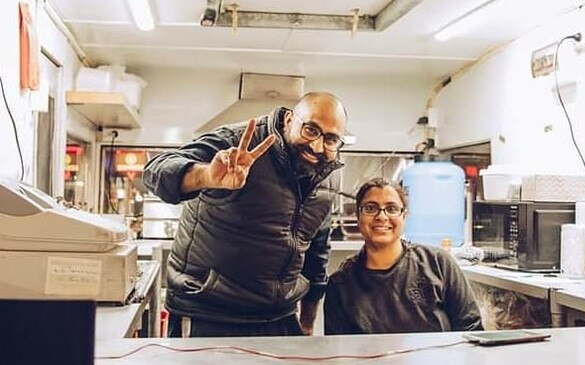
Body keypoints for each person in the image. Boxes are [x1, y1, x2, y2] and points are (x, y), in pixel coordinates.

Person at [143, 92, 347, 337]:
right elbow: (155, 171)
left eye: (331, 139)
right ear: (290, 119)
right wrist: (206, 176)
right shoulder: (236, 142)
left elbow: (317, 248)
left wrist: (307, 321)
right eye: (311, 130)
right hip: (209, 311)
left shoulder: (328, 172)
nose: (317, 146)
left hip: (278, 315)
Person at [324, 177, 483, 335]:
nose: (381, 216)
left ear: (404, 216)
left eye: (392, 208)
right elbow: (339, 352)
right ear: (358, 216)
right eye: (370, 208)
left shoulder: (438, 263)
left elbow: (471, 329)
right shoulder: (341, 285)